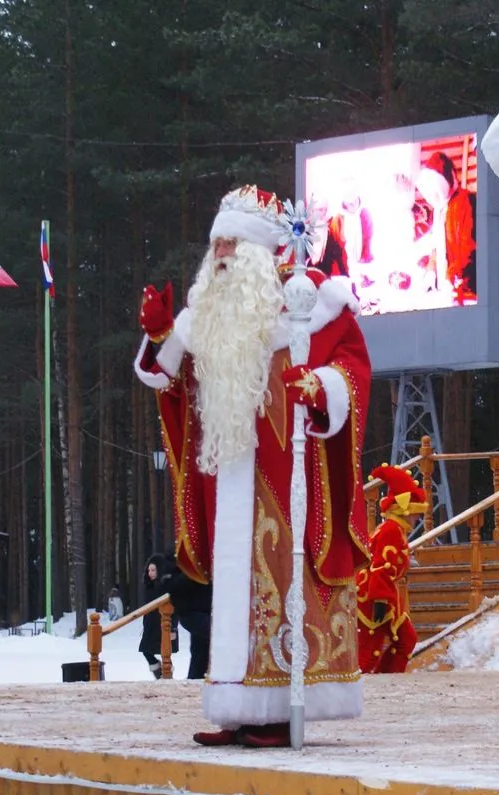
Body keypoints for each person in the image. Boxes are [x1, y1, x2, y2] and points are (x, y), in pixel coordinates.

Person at [134, 184, 372, 748]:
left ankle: (277, 707)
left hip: (292, 477)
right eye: (214, 242)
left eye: (230, 243)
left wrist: (321, 386)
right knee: (235, 593)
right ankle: (239, 705)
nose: (217, 252)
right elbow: (170, 383)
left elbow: (355, 370)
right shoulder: (207, 320)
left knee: (281, 583)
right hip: (230, 478)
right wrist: (161, 336)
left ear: (258, 253)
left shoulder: (311, 303)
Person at [357, 465, 427, 674]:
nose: (417, 519)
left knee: (406, 640)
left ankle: (387, 678)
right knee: (369, 653)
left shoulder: (395, 529)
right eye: (415, 513)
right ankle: (368, 684)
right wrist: (380, 600)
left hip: (385, 596)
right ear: (403, 510)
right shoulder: (391, 531)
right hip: (374, 597)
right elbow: (381, 566)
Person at [415, 151, 477, 303]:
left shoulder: (464, 202)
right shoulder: (439, 208)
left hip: (463, 289)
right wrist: (431, 270)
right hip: (445, 288)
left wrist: (454, 276)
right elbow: (436, 247)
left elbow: (469, 248)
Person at [164, 562, 211, 680]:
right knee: (202, 649)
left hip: (204, 610)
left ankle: (197, 678)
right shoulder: (185, 564)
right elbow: (173, 589)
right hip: (193, 611)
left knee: (200, 650)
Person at [138, 555, 175, 679]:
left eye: (153, 570)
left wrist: (173, 627)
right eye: (149, 570)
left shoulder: (166, 585)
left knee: (165, 652)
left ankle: (166, 674)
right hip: (150, 625)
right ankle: (161, 674)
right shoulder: (149, 586)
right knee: (146, 650)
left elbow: (174, 606)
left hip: (163, 624)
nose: (150, 573)